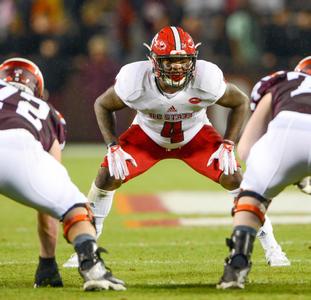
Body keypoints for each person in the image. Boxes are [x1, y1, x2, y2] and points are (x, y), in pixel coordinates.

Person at [63, 25, 288, 270]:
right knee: (106, 176)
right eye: (170, 60)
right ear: (153, 61)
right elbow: (102, 104)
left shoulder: (206, 78)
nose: (178, 66)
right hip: (148, 136)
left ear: (194, 60)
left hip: (194, 136)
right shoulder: (135, 80)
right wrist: (112, 145)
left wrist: (229, 143)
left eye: (183, 60)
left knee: (235, 178)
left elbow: (240, 102)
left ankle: (272, 247)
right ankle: (86, 247)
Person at [0, 57, 125, 291]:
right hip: (18, 148)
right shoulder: (46, 110)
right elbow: (49, 194)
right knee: (76, 209)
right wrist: (47, 263)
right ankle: (92, 266)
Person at [217, 55, 311, 289]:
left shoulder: (282, 81)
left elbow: (247, 148)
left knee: (251, 195)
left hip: (288, 127)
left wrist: (270, 176)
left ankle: (238, 262)